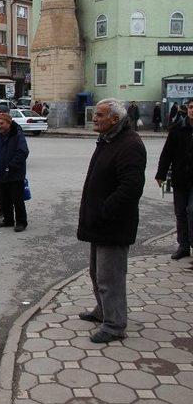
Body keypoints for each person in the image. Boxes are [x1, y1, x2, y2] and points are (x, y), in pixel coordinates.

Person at [77, 98, 147, 344]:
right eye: (95, 114)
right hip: (100, 222)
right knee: (97, 273)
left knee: (111, 277)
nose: (94, 118)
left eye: (100, 115)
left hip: (113, 224)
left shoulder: (130, 144)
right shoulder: (109, 138)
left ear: (115, 119)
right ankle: (102, 310)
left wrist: (106, 211)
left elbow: (131, 187)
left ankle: (115, 324)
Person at [156, 99, 193, 262]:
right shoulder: (178, 128)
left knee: (192, 211)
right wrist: (161, 174)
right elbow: (167, 152)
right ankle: (183, 246)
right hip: (180, 178)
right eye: (191, 107)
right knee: (180, 214)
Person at [0, 113, 29, 232]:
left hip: (15, 174)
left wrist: (11, 166)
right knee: (4, 198)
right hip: (0, 172)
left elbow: (23, 152)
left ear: (9, 123)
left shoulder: (17, 135)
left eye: (2, 123)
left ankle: (21, 222)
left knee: (17, 200)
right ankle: (8, 220)